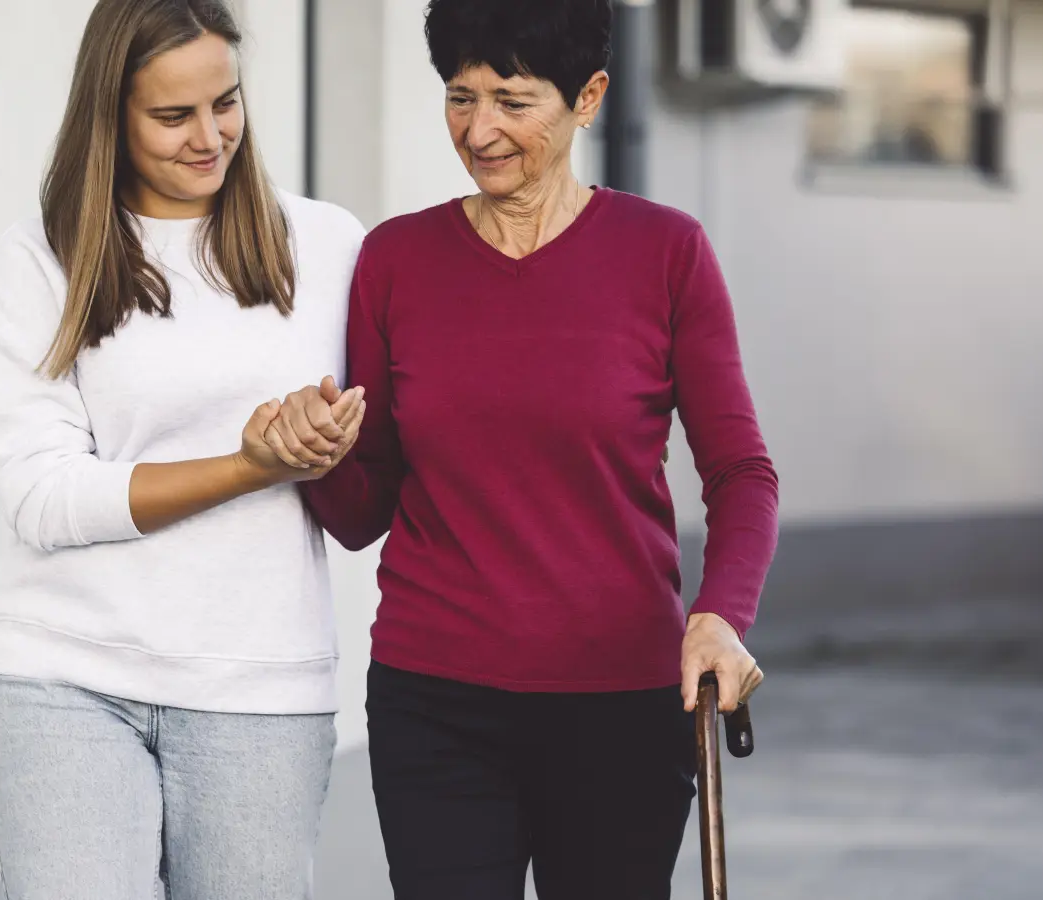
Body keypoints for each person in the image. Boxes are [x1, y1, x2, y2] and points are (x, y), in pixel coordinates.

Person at [267, 1, 779, 897]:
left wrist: (719, 615)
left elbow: (741, 473)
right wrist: (309, 453)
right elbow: (359, 512)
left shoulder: (666, 254)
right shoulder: (395, 261)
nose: (480, 131)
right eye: (460, 97)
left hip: (621, 703)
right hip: (435, 701)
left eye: (512, 100)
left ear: (589, 97)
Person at [0, 1, 367, 897]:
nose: (210, 138)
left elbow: (389, 445)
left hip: (261, 687)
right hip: (64, 677)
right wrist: (249, 467)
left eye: (226, 103)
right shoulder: (44, 256)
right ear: (110, 117)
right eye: (173, 116)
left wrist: (330, 436)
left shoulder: (329, 246)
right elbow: (43, 497)